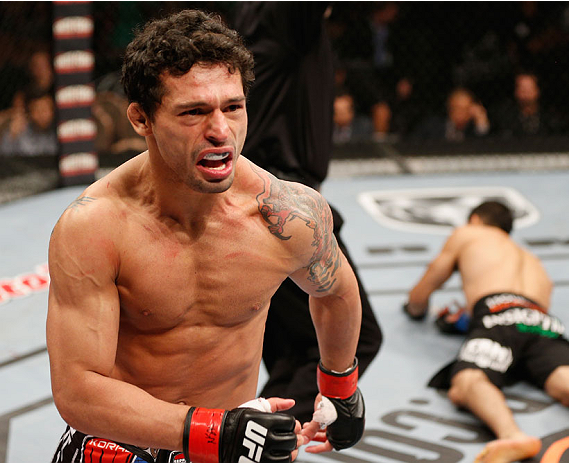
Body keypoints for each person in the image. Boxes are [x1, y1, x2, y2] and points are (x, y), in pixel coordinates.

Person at [46, 10, 365, 463]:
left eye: (233, 107)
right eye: (194, 112)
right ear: (141, 119)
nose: (220, 132)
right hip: (122, 443)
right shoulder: (95, 228)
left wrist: (340, 386)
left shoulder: (288, 214)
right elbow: (78, 391)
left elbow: (336, 291)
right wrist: (214, 431)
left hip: (228, 441)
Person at [230, 1, 383, 425]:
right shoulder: (281, 15)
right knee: (356, 336)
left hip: (258, 192)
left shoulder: (256, 17)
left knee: (293, 353)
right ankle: (242, 441)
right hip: (281, 203)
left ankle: (246, 442)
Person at [403, 201, 569, 463]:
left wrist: (416, 308)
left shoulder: (470, 234)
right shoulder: (531, 258)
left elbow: (428, 283)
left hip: (497, 313)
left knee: (468, 381)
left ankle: (512, 435)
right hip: (541, 320)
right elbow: (520, 316)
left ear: (475, 220)